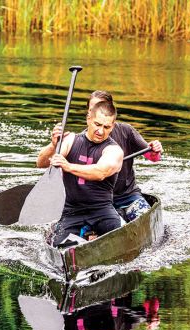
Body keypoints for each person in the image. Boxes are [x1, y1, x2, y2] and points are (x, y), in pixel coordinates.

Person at [50, 90, 163, 222]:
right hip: (95, 202)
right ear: (89, 115)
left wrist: (155, 151)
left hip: (127, 196)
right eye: (93, 109)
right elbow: (52, 164)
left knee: (144, 220)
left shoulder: (126, 131)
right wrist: (54, 147)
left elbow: (153, 157)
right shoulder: (78, 140)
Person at [37, 101, 123, 247]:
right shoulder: (71, 140)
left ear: (112, 127)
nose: (101, 131)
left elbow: (100, 172)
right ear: (88, 118)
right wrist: (53, 146)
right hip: (71, 211)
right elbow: (41, 163)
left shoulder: (114, 151)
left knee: (119, 243)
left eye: (106, 127)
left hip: (102, 210)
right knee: (57, 247)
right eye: (97, 124)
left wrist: (68, 166)